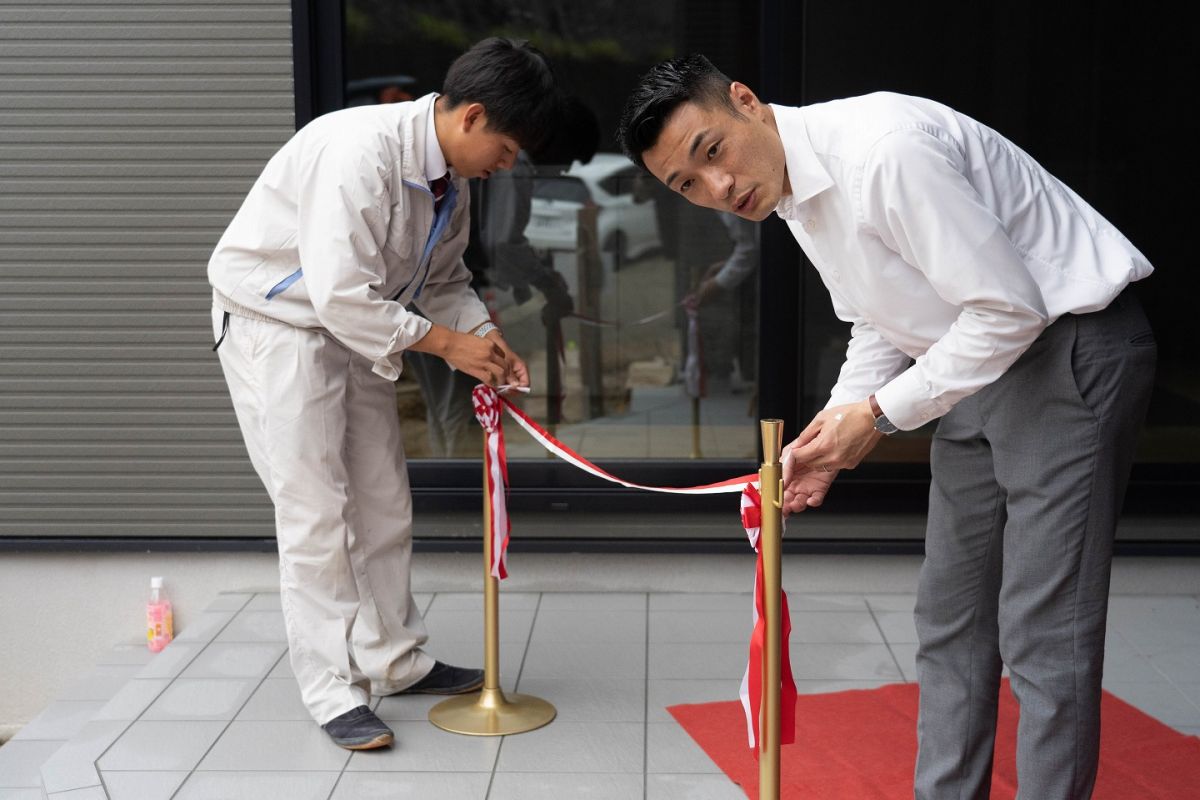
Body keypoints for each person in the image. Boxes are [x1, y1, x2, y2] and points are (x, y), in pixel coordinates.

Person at [617, 54, 1156, 799]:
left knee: (1042, 628)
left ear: (745, 101)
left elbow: (1011, 308)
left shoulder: (881, 151)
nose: (719, 188)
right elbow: (874, 320)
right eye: (688, 185)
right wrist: (835, 435)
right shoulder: (790, 190)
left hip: (1067, 346)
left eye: (712, 152)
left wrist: (876, 417)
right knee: (951, 615)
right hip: (968, 364)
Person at [207, 38, 557, 750]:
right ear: (473, 118)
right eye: (509, 146)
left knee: (383, 499)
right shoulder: (359, 153)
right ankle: (332, 688)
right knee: (316, 512)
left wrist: (483, 337)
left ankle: (394, 660)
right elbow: (339, 293)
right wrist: (449, 345)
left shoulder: (449, 184)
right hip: (276, 324)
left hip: (359, 327)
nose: (508, 163)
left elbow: (446, 282)